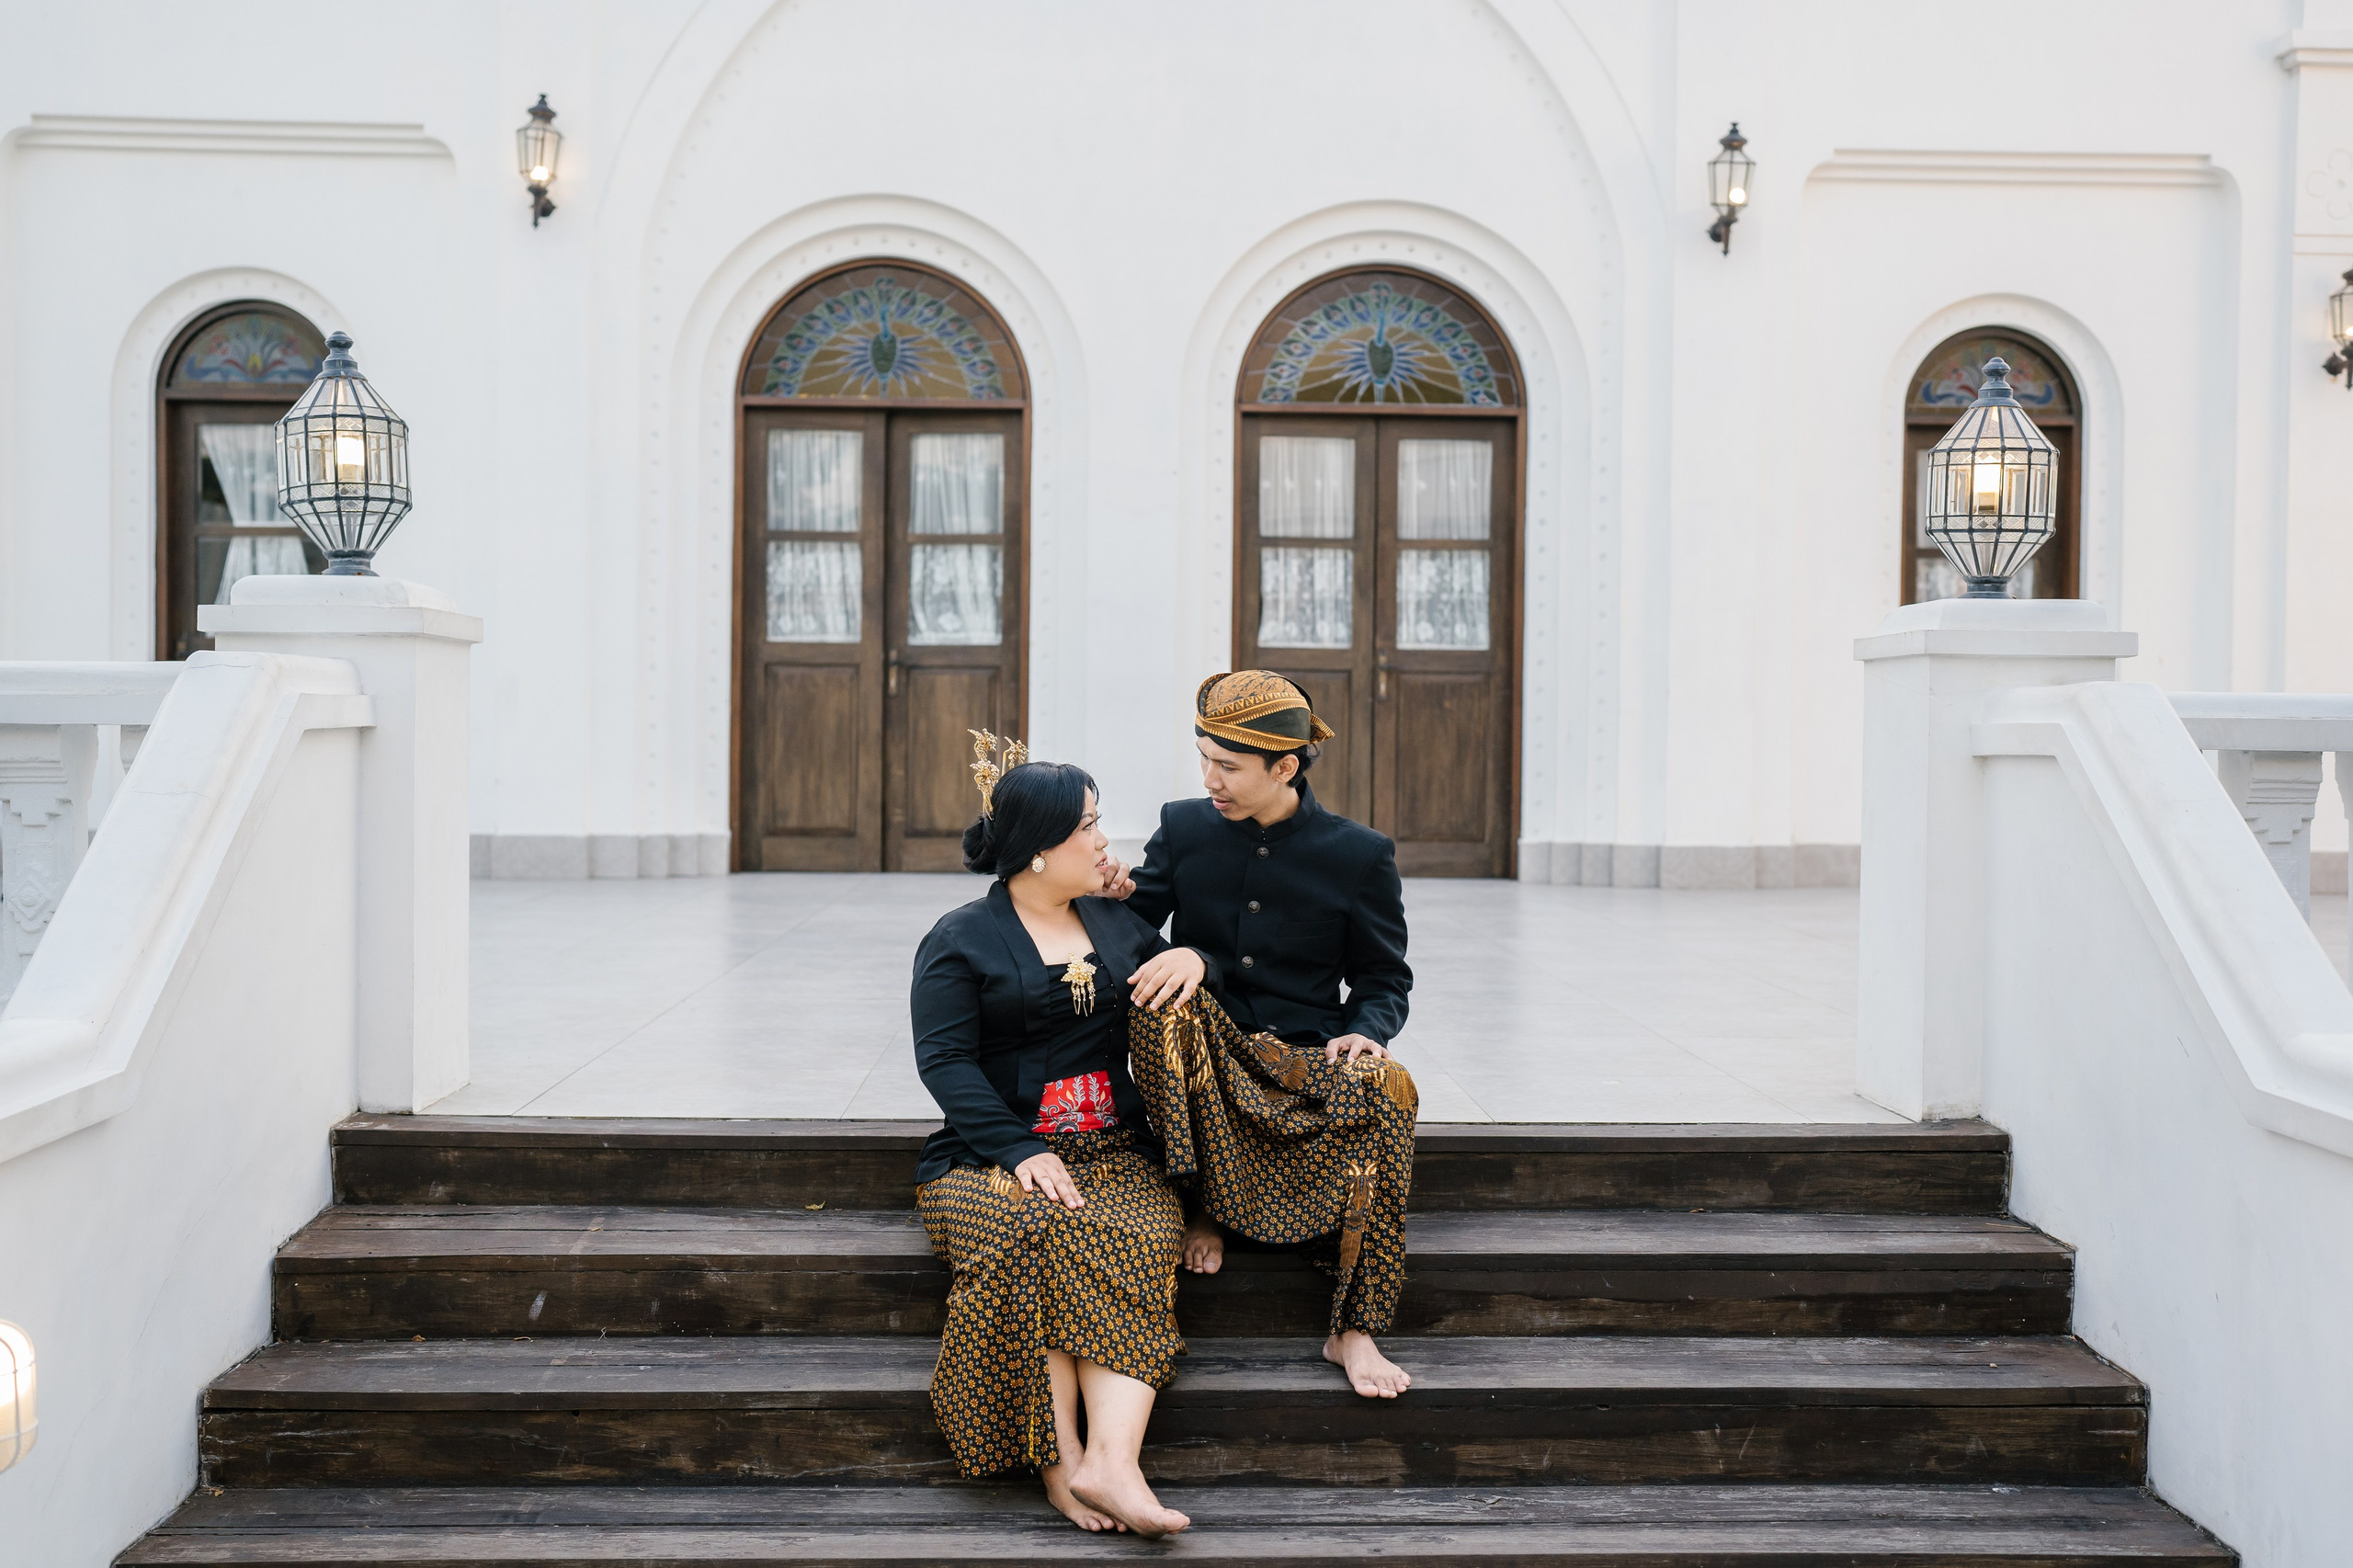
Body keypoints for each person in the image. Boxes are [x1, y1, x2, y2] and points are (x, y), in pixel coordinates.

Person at [909, 736, 1214, 1537]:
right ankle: (1063, 1463)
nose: (1104, 839)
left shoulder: (1114, 926)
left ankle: (1116, 1463)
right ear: (1040, 851)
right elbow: (944, 1062)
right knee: (1031, 1233)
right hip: (988, 1157)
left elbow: (1174, 970)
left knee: (1141, 1232)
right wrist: (1020, 1148)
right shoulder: (960, 939)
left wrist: (1191, 955)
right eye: (1089, 826)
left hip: (1113, 1153)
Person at [1110, 671, 1417, 1399]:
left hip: (1305, 1058)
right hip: (1211, 1050)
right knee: (1161, 1010)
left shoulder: (1359, 854)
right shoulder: (1184, 826)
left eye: (1228, 766)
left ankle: (1353, 1328)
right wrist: (1158, 936)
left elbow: (1384, 980)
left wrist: (1368, 1034)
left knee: (1391, 1089)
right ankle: (1205, 1207)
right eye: (1203, 758)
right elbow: (1133, 930)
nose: (1209, 778)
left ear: (1285, 766)